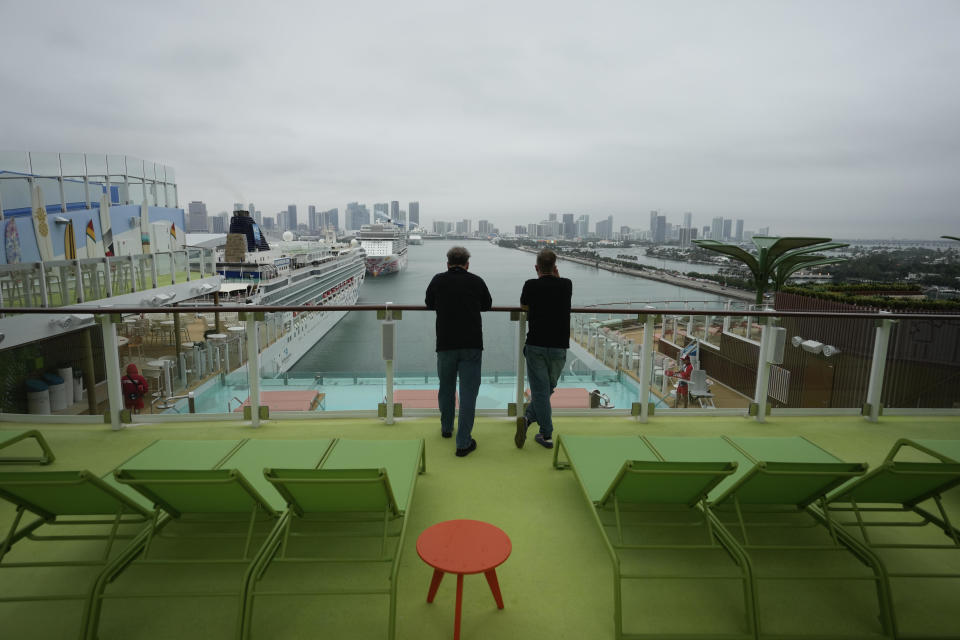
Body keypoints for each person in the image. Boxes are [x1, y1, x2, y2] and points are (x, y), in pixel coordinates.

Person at [425, 246, 493, 457]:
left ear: (447, 264)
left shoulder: (438, 280)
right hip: (472, 343)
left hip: (445, 343)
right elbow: (487, 305)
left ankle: (447, 428)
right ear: (467, 264)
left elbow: (429, 304)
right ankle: (463, 442)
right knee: (468, 393)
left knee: (446, 387)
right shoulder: (476, 280)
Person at [515, 249, 572, 450]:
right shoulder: (566, 285)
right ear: (555, 267)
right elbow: (560, 288)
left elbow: (523, 306)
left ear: (536, 267)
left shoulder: (530, 285)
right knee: (547, 388)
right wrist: (555, 276)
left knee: (542, 390)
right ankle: (545, 432)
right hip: (559, 346)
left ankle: (529, 420)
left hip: (536, 344)